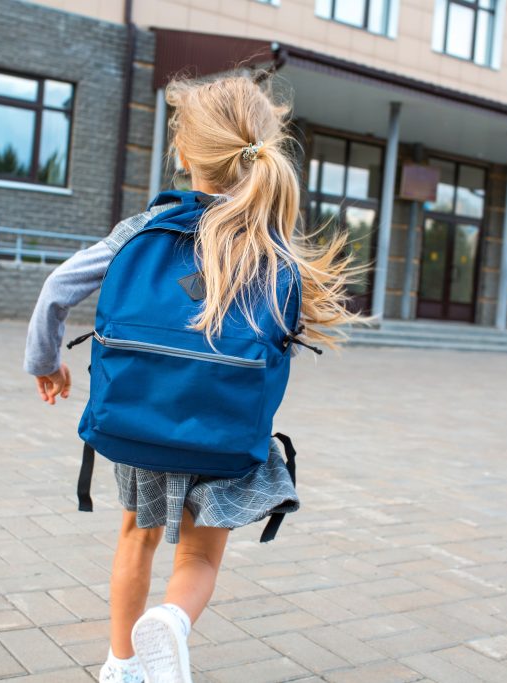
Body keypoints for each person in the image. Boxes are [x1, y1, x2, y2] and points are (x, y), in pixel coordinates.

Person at [23, 74, 356, 683]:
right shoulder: (272, 249)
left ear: (184, 154)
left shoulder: (140, 232)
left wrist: (45, 362)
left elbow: (55, 291)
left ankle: (121, 666)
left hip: (138, 420)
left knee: (135, 536)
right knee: (199, 553)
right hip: (223, 431)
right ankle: (172, 623)